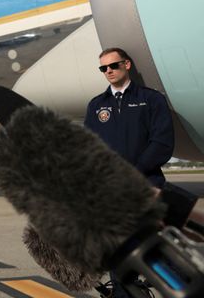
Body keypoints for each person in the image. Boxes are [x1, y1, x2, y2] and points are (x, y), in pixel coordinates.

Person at [84, 47, 174, 298]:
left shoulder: (151, 99)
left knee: (158, 259)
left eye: (113, 66)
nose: (109, 71)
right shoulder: (96, 105)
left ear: (127, 65)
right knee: (120, 264)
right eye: (103, 68)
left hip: (148, 190)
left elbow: (162, 143)